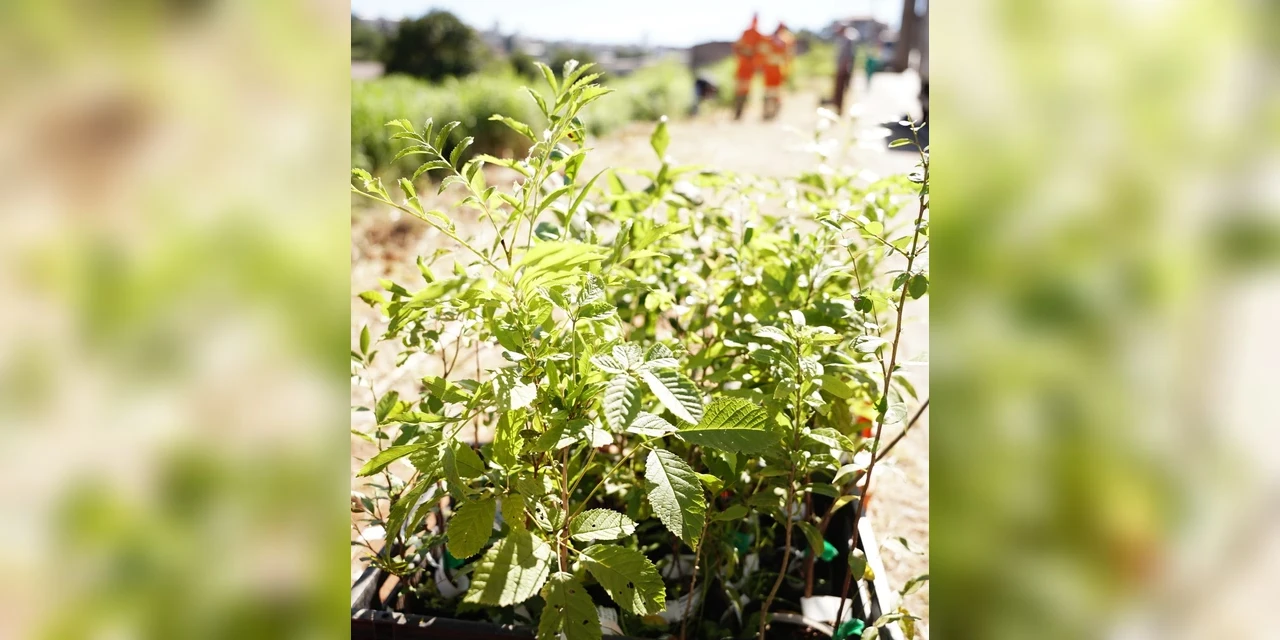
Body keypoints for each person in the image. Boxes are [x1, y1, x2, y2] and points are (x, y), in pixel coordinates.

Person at [731, 14, 764, 120]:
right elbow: (737, 47)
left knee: (746, 90)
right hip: (743, 66)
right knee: (739, 90)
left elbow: (761, 51)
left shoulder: (759, 36)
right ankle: (737, 113)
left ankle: (740, 113)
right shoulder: (745, 33)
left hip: (750, 68)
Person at [761, 23, 793, 120]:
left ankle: (772, 112)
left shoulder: (784, 41)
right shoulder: (771, 40)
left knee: (775, 92)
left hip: (776, 70)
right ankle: (768, 112)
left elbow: (787, 56)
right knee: (770, 92)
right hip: (771, 70)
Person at [831, 25, 857, 115]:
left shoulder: (848, 39)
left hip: (843, 69)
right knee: (838, 91)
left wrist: (844, 68)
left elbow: (848, 56)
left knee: (841, 90)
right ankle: (838, 109)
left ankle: (840, 110)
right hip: (841, 68)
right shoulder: (842, 39)